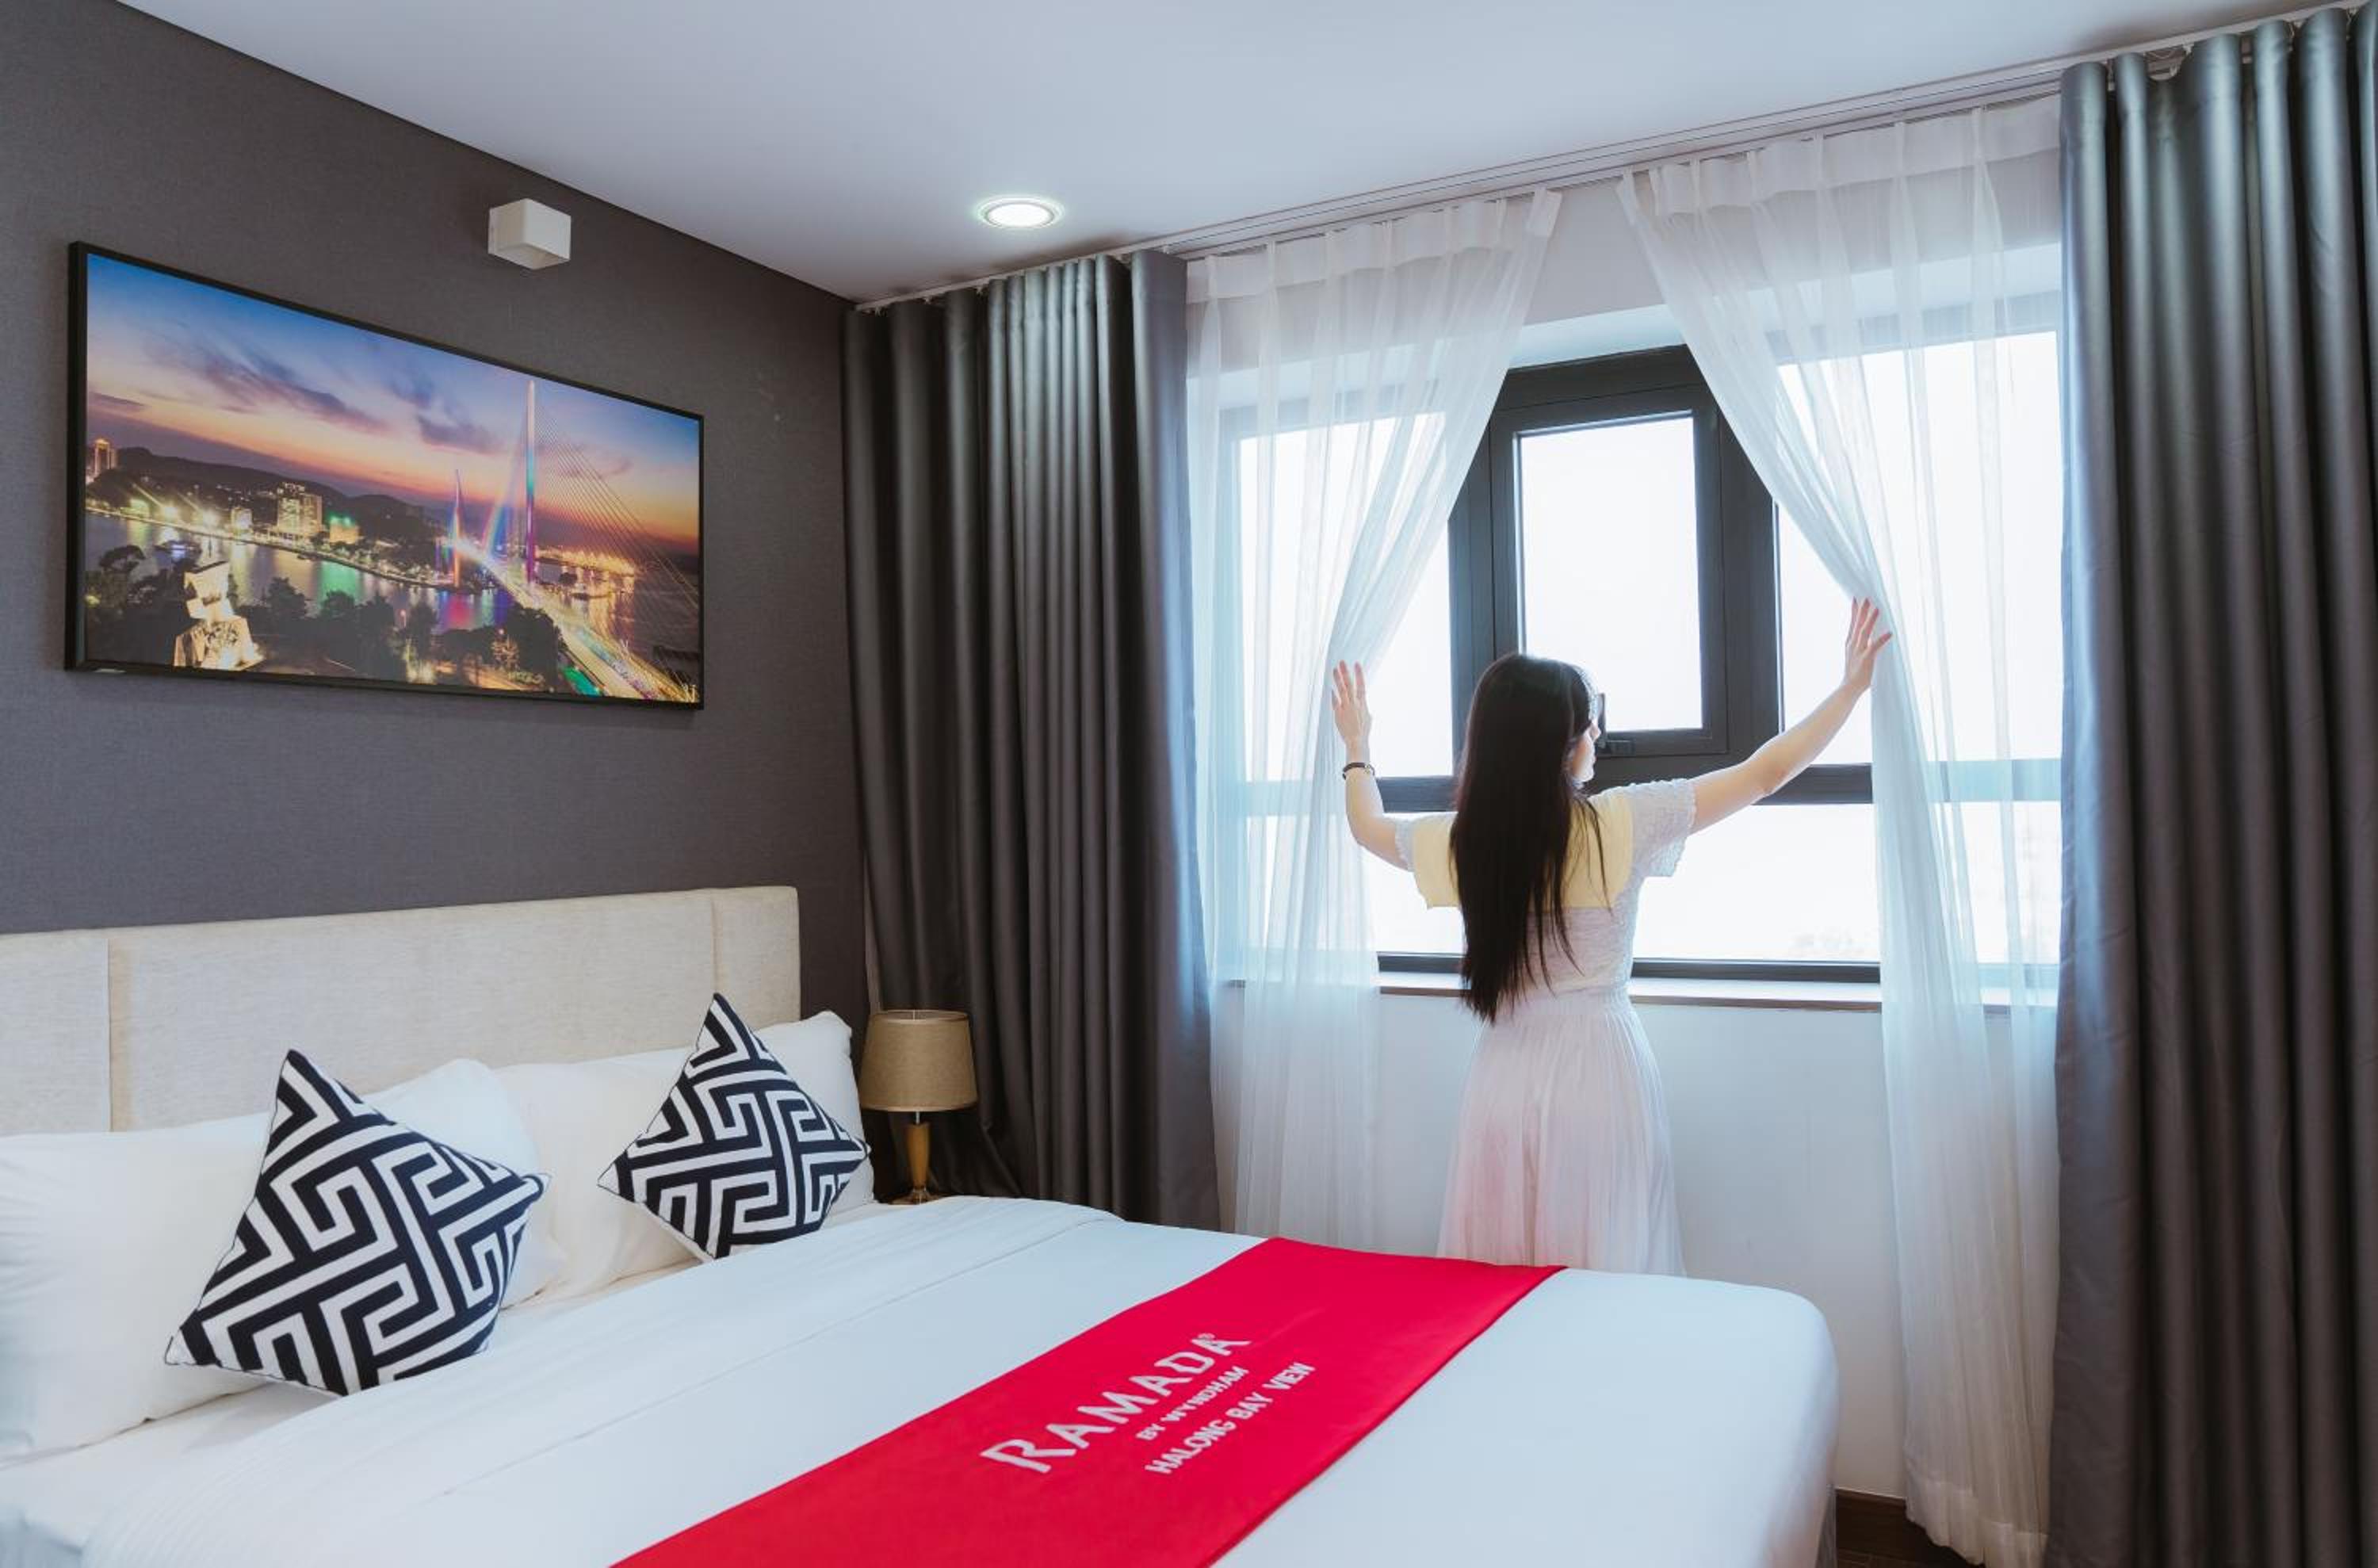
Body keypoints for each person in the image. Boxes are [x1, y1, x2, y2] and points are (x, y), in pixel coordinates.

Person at [1330, 599, 1892, 1272]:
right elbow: (1764, 773)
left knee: (1502, 1282)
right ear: (1561, 744)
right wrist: (1849, 690)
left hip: (1501, 1078)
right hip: (1598, 1073)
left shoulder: (1465, 844)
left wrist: (1358, 749)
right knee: (1608, 1278)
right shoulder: (1621, 822)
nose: (1596, 735)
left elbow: (1367, 827)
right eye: (1588, 723)